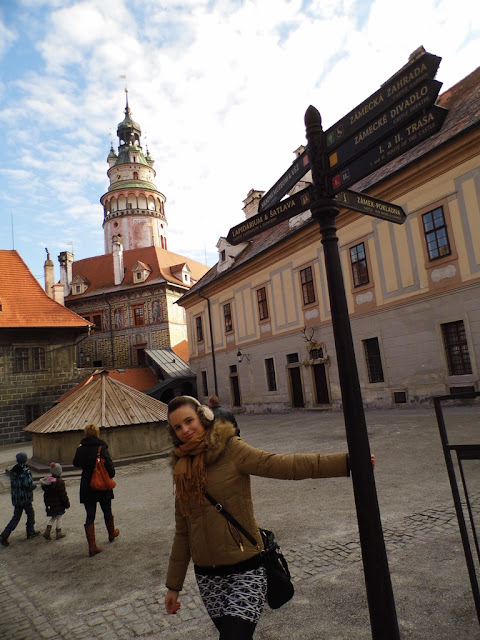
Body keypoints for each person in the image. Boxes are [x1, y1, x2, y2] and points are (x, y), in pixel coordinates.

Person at [164, 396, 354, 640]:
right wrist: (173, 586)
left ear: (203, 418)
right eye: (178, 427)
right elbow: (183, 532)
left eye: (189, 421)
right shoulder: (182, 469)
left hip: (246, 570)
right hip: (208, 577)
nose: (185, 430)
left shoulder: (231, 449)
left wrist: (346, 462)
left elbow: (283, 465)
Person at [72, 423, 119, 557]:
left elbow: (75, 462)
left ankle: (92, 546)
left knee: (90, 515)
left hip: (87, 484)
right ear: (97, 433)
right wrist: (111, 474)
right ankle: (111, 533)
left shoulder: (81, 447)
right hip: (102, 484)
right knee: (107, 510)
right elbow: (109, 465)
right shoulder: (101, 447)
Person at [0, 452, 40, 547]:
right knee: (30, 514)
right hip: (25, 498)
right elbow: (28, 484)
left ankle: (4, 535)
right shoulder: (25, 470)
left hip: (17, 499)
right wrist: (35, 486)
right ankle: (30, 531)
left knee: (16, 517)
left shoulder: (14, 470)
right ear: (25, 460)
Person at [40, 462, 70, 541]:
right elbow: (63, 495)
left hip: (50, 504)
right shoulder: (60, 482)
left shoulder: (48, 481)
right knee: (59, 517)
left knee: (53, 517)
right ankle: (59, 532)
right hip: (58, 504)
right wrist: (67, 503)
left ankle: (47, 531)